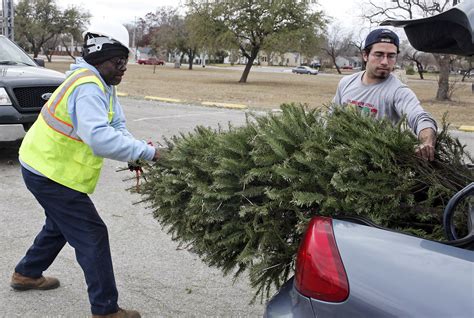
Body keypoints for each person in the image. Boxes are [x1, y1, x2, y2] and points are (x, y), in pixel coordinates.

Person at [10, 20, 160, 318]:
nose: (124, 68)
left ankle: (26, 273)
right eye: (119, 61)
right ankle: (106, 310)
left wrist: (136, 151)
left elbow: (115, 125)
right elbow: (100, 139)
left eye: (125, 61)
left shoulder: (102, 83)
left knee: (58, 225)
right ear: (100, 58)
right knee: (92, 234)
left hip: (46, 166)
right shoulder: (89, 87)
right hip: (49, 171)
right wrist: (152, 154)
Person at [333, 28, 437, 161]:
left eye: (391, 56)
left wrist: (426, 141)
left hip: (378, 167)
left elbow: (420, 117)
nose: (385, 62)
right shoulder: (346, 82)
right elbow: (332, 118)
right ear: (365, 55)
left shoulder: (398, 91)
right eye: (379, 54)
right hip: (342, 162)